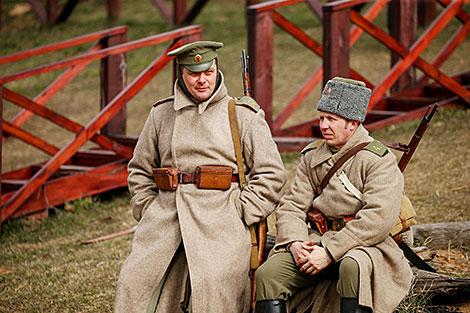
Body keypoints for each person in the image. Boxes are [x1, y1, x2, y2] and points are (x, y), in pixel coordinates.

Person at [114, 41, 287, 313]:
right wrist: (148, 209)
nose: (202, 79)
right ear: (181, 73)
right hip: (166, 219)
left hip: (221, 222)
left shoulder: (242, 115)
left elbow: (272, 174)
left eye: (208, 71)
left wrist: (241, 212)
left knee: (213, 287)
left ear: (217, 69)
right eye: (194, 73)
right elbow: (140, 170)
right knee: (134, 282)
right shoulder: (161, 114)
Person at [254, 77, 413, 313]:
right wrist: (295, 242)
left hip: (365, 246)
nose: (324, 125)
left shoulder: (378, 160)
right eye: (321, 118)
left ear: (352, 123)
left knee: (351, 266)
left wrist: (330, 252)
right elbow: (291, 206)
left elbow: (377, 219)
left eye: (332, 119)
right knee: (269, 275)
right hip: (316, 242)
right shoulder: (312, 156)